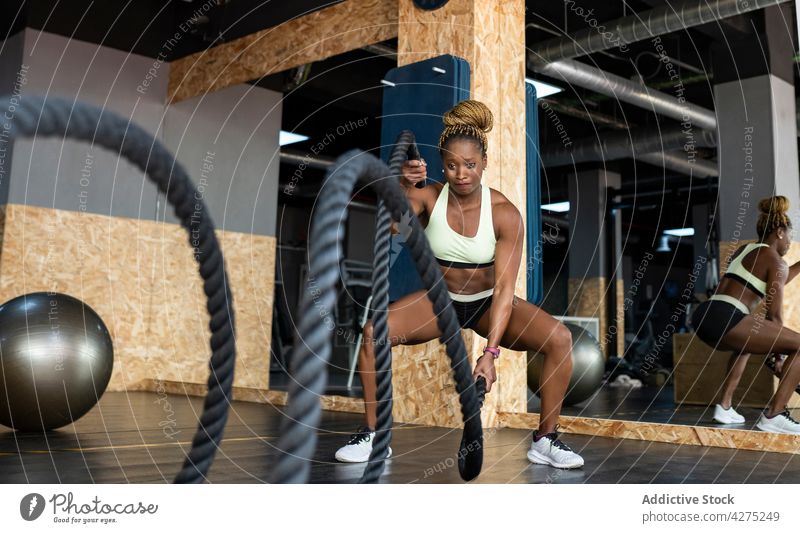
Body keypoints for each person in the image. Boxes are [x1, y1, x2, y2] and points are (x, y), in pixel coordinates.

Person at [334, 100, 583, 468]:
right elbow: (390, 228)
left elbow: (503, 290)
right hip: (441, 302)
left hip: (486, 303)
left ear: (484, 163)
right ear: (442, 164)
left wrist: (491, 353)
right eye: (451, 165)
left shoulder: (504, 213)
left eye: (470, 165)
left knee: (560, 338)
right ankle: (374, 435)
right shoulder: (427, 197)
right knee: (373, 333)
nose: (461, 174)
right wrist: (404, 183)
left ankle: (545, 439)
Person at [691, 196, 800, 434]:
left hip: (704, 316)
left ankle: (725, 407)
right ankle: (774, 415)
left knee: (746, 343)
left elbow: (774, 280)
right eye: (791, 237)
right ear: (780, 232)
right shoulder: (776, 261)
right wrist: (779, 357)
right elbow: (775, 316)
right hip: (727, 317)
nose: (790, 243)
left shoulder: (746, 250)